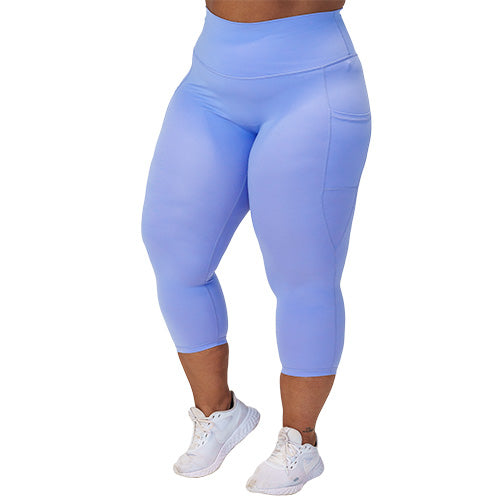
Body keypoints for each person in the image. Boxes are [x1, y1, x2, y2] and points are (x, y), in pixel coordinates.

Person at [141, 0, 371, 494]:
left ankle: (300, 440)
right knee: (174, 252)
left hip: (310, 85)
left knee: (302, 272)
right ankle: (219, 412)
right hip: (210, 83)